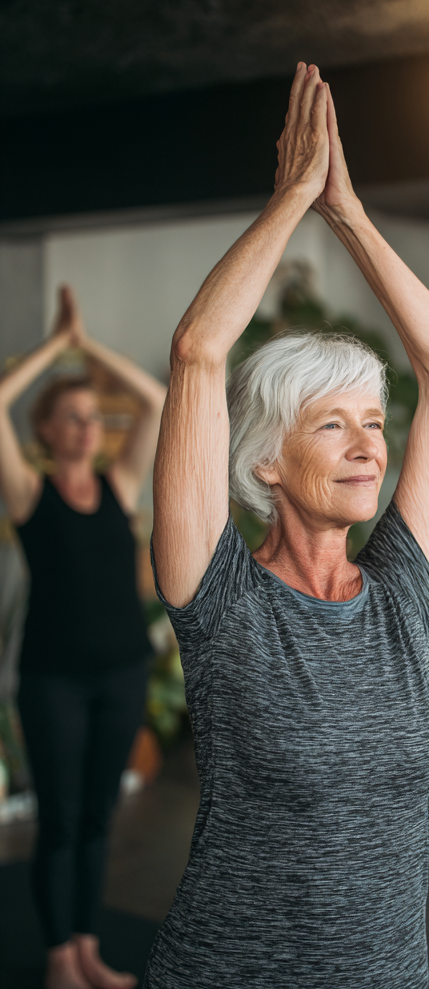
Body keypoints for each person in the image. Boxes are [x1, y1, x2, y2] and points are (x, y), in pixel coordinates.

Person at [144, 63, 429, 988]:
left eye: (374, 422)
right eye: (331, 424)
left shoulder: (403, 594)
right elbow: (198, 352)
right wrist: (294, 197)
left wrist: (351, 215)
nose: (369, 445)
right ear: (265, 462)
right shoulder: (221, 602)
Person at [0, 286, 166, 989]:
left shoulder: (120, 487)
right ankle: (60, 956)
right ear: (45, 429)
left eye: (93, 417)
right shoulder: (28, 495)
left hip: (123, 671)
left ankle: (90, 946)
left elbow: (155, 401)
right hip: (54, 680)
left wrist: (86, 343)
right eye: (72, 417)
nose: (88, 427)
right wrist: (53, 348)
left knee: (99, 817)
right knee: (62, 819)